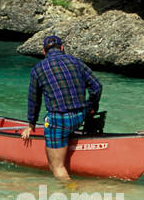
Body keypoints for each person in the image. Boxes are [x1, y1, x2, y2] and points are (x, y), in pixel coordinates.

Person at [20, 35, 102, 182]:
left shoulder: (37, 70)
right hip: (80, 116)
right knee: (65, 123)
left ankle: (72, 193)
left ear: (43, 51)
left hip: (59, 120)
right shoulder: (76, 62)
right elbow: (97, 86)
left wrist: (31, 125)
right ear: (62, 48)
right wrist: (91, 107)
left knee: (56, 167)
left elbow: (34, 100)